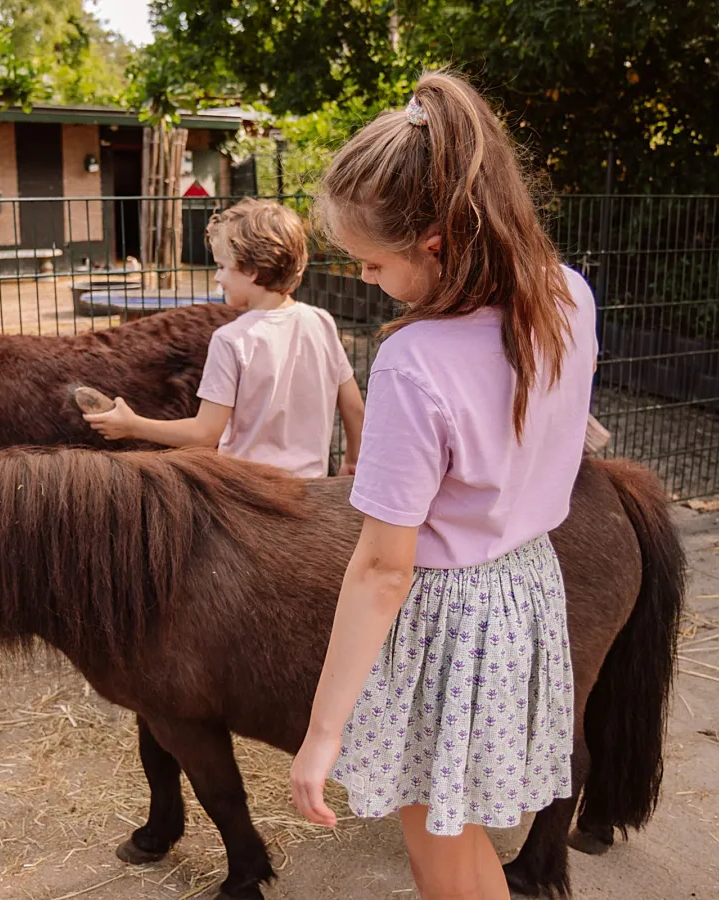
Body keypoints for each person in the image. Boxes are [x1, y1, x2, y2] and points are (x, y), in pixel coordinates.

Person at [290, 71, 597, 900]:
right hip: (530, 589)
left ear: (433, 242)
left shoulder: (414, 363)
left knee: (437, 851)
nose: (363, 279)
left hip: (452, 620)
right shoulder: (568, 295)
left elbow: (384, 568)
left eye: (372, 263)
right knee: (458, 839)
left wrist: (323, 733)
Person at [85, 198, 364, 478]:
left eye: (222, 266)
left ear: (252, 271)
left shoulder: (232, 340)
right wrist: (352, 460)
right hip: (313, 488)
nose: (217, 277)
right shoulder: (321, 322)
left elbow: (205, 433)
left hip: (251, 493)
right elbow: (354, 408)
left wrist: (133, 425)